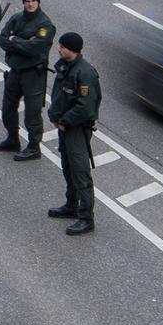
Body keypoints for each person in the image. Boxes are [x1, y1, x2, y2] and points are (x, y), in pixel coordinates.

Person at [46, 32, 101, 236]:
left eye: (62, 46)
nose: (59, 49)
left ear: (73, 49)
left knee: (80, 173)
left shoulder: (85, 73)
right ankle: (71, 205)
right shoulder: (64, 66)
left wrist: (64, 121)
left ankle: (86, 218)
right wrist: (54, 115)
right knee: (68, 167)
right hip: (64, 127)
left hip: (76, 129)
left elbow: (85, 107)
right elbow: (59, 95)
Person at [0, 0, 56, 160]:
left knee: (32, 113)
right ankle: (12, 139)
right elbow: (3, 39)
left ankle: (34, 147)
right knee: (7, 108)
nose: (30, 4)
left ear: (38, 2)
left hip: (33, 74)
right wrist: (21, 42)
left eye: (33, 1)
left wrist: (16, 41)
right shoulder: (16, 18)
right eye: (27, 1)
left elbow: (35, 47)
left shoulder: (45, 24)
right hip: (15, 70)